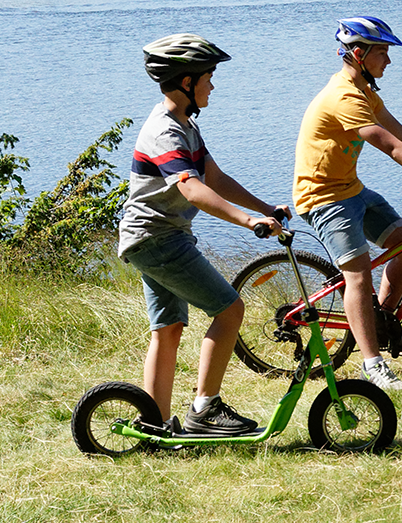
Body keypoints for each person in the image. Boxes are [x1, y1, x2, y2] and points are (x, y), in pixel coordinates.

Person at [292, 15, 402, 392]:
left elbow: (401, 133)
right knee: (357, 276)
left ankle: (382, 324)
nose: (388, 61)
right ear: (359, 54)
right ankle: (372, 365)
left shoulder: (364, 92)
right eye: (383, 53)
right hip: (323, 198)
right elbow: (389, 146)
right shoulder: (343, 96)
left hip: (351, 190)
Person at [119, 35, 289, 436]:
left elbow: (214, 178)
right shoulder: (165, 132)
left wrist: (265, 208)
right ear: (186, 82)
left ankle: (154, 423)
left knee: (168, 330)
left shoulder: (185, 126)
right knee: (229, 310)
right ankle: (205, 409)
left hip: (153, 238)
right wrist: (249, 222)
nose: (213, 85)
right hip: (158, 239)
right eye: (208, 77)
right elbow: (191, 189)